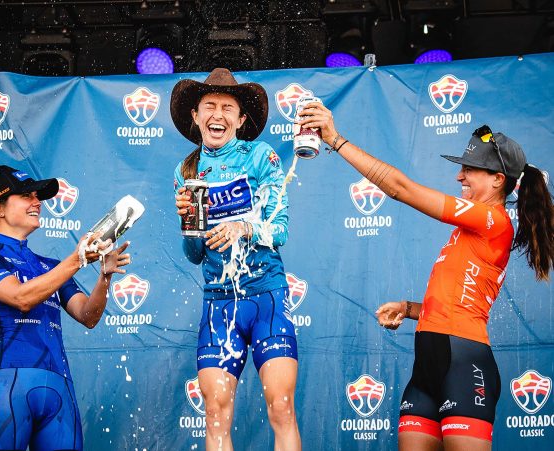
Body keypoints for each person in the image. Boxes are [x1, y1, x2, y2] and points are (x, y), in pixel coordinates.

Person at [298, 105, 553, 451]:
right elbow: (460, 301)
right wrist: (408, 308)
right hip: (427, 365)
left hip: (465, 365)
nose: (459, 177)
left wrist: (336, 140)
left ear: (498, 179)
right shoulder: (469, 230)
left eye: (469, 169)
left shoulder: (492, 221)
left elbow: (401, 189)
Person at [171, 68, 301, 451]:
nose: (218, 114)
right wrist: (187, 224)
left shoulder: (261, 156)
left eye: (228, 107)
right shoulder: (185, 171)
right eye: (209, 105)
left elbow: (280, 229)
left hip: (266, 298)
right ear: (195, 116)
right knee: (216, 413)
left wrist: (243, 228)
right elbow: (195, 255)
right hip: (219, 304)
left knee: (281, 408)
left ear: (241, 120)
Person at [0, 165, 131, 451]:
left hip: (59, 387)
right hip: (8, 384)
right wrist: (77, 260)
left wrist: (104, 277)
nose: (36, 202)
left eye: (36, 196)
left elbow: (87, 316)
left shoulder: (50, 266)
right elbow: (21, 298)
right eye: (25, 196)